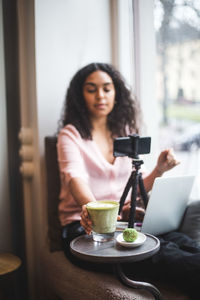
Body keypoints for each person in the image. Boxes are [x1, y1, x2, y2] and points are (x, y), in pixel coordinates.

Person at [57, 62, 200, 299]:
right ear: (80, 96)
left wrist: (159, 170)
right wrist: (96, 212)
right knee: (172, 258)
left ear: (116, 93)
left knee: (185, 244)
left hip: (124, 223)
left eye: (106, 88)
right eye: (91, 89)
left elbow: (132, 188)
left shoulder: (124, 131)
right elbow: (75, 178)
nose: (100, 95)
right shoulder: (70, 135)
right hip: (85, 229)